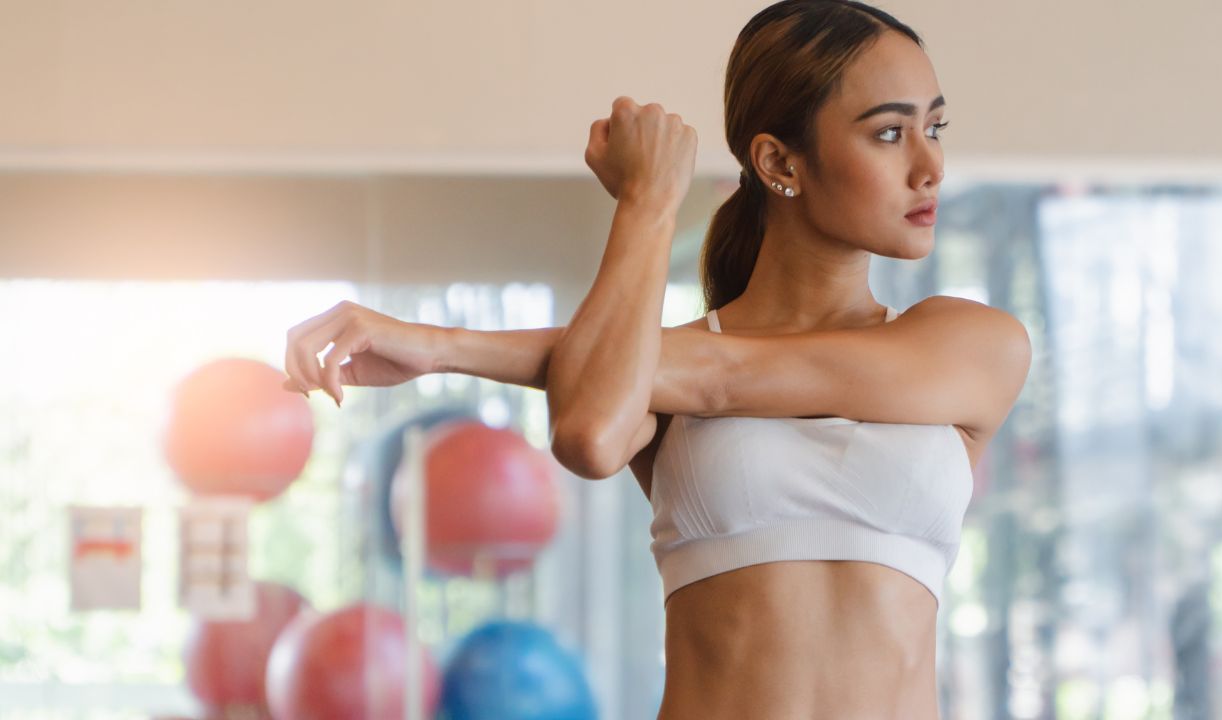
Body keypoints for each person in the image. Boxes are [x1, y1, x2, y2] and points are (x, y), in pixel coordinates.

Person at [282, 1, 1031, 717]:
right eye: (889, 134)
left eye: (935, 127)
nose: (930, 165)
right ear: (779, 161)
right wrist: (648, 203)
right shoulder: (644, 367)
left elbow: (720, 376)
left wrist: (444, 347)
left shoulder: (973, 347)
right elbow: (591, 433)